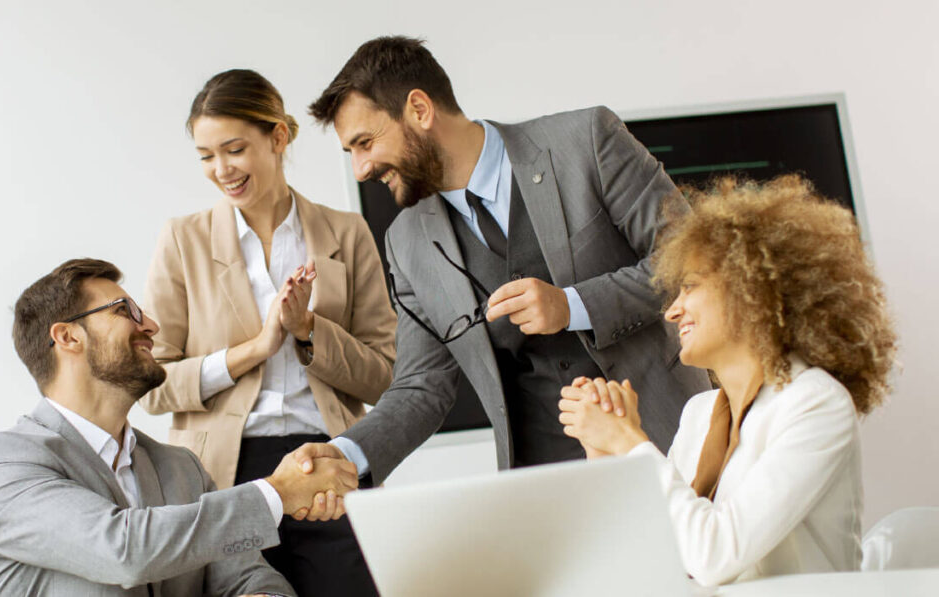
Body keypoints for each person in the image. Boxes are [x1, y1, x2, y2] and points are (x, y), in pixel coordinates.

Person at [296, 36, 710, 483]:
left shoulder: (587, 141)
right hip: (543, 483)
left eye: (365, 142)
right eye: (350, 153)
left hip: (667, 440)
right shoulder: (406, 241)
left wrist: (571, 305)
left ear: (419, 109)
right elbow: (421, 386)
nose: (360, 168)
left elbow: (691, 262)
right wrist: (344, 454)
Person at [558, 175, 897, 586]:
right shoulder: (699, 414)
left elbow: (714, 556)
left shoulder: (816, 402)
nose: (672, 311)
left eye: (689, 288)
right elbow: (656, 557)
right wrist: (604, 452)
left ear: (748, 285)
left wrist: (629, 442)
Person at [140, 69, 394, 597]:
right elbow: (153, 384)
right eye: (206, 156)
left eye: (233, 149)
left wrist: (307, 331)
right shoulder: (183, 240)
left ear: (278, 136)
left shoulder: (346, 233)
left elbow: (385, 378)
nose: (220, 170)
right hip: (223, 474)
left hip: (328, 461)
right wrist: (254, 349)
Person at [0, 258, 357, 596]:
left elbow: (248, 576)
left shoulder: (183, 468)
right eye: (124, 311)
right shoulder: (2, 465)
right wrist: (279, 492)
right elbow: (124, 549)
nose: (150, 325)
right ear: (68, 337)